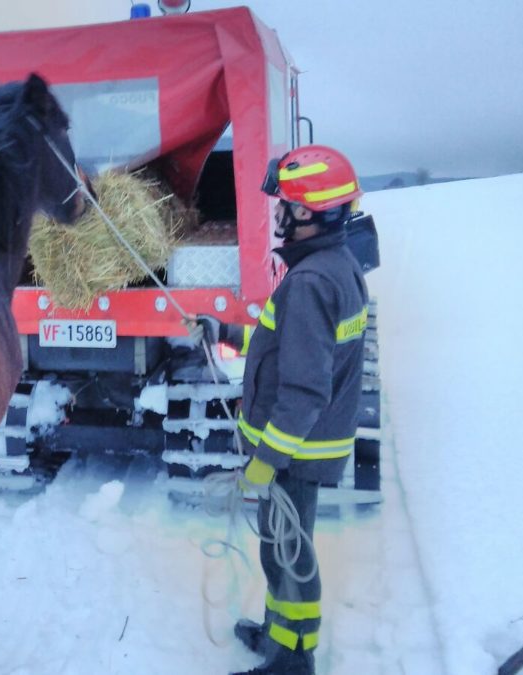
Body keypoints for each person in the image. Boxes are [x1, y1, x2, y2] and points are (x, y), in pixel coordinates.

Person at [199, 145, 369, 675]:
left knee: (290, 556)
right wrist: (224, 332)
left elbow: (303, 389)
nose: (277, 216)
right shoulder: (331, 266)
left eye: (286, 207)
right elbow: (285, 344)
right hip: (302, 445)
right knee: (281, 549)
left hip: (297, 450)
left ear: (311, 214)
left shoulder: (312, 282)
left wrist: (268, 457)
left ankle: (292, 663)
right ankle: (280, 641)